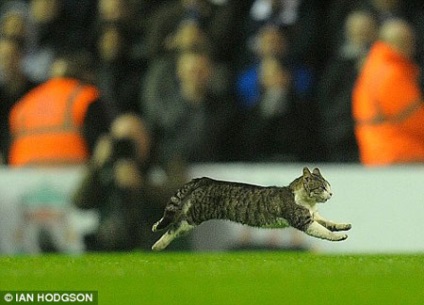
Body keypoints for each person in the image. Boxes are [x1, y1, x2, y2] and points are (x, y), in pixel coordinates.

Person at [73, 114, 189, 251]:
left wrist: (141, 186)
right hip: (115, 239)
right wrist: (96, 166)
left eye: (133, 137)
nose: (127, 144)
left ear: (146, 137)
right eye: (121, 139)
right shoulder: (108, 166)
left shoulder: (166, 159)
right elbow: (80, 203)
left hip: (157, 235)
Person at [8, 51, 110, 167]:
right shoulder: (86, 97)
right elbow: (102, 147)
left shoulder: (23, 104)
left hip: (21, 180)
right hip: (74, 179)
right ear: (87, 75)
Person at [142, 47, 237, 165]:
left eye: (201, 71)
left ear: (210, 71)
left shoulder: (225, 110)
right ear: (180, 72)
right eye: (193, 71)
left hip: (215, 174)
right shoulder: (162, 109)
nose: (197, 76)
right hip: (171, 175)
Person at [352, 19, 424, 166]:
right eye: (404, 41)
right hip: (399, 153)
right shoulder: (391, 74)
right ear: (388, 42)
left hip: (379, 152)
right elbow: (415, 119)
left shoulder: (374, 67)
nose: (410, 47)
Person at [317, 11, 378, 162]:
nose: (361, 35)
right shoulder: (337, 64)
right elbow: (327, 99)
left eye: (366, 30)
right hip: (344, 136)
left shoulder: (384, 64)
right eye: (357, 31)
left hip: (377, 134)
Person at [0, 35, 38, 164]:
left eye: (11, 56)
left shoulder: (37, 91)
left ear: (21, 57)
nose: (7, 62)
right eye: (3, 58)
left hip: (32, 154)